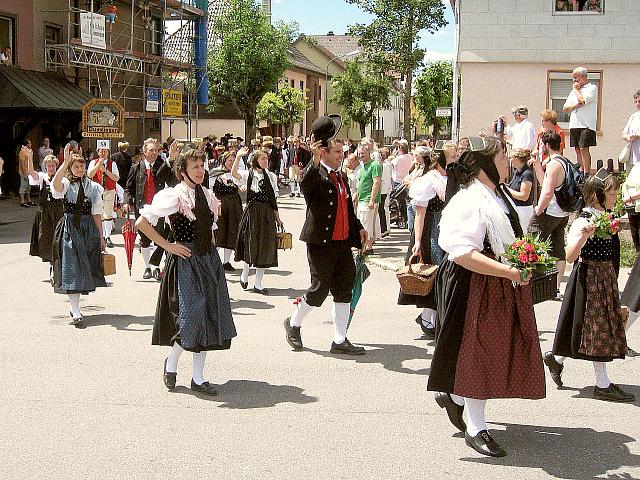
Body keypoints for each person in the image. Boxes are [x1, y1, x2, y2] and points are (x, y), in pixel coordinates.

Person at [428, 136, 545, 458]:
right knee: (478, 354)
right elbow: (462, 253)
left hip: (493, 285)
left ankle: (456, 397)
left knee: (487, 352)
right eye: (503, 157)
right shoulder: (469, 201)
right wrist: (509, 273)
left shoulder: (497, 195)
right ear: (484, 165)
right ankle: (475, 427)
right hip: (473, 286)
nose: (508, 162)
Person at [136, 148, 236, 396]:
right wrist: (168, 246)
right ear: (183, 172)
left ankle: (198, 378)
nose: (201, 171)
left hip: (207, 261)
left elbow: (209, 229)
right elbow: (142, 223)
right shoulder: (174, 196)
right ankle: (171, 362)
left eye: (202, 166)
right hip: (185, 263)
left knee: (208, 317)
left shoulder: (208, 195)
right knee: (191, 319)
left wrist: (211, 255)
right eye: (195, 167)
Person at [544, 170, 634, 402]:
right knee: (595, 329)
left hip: (603, 275)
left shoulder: (607, 216)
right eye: (611, 192)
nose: (615, 196)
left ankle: (556, 358)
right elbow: (570, 256)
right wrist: (584, 236)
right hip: (589, 276)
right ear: (598, 194)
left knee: (589, 329)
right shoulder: (584, 219)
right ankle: (602, 384)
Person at [284, 119, 368, 355]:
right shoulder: (316, 174)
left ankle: (339, 340)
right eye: (338, 152)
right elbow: (305, 185)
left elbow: (347, 210)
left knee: (344, 289)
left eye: (342, 151)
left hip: (342, 243)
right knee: (319, 289)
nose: (342, 155)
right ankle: (293, 324)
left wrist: (359, 228)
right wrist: (313, 158)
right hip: (321, 243)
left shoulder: (340, 177)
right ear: (324, 153)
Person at [398, 145, 455, 339]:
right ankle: (429, 318)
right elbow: (420, 214)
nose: (454, 160)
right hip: (432, 229)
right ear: (440, 160)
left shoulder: (448, 178)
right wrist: (418, 241)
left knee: (442, 272)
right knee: (434, 272)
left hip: (445, 226)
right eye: (451, 157)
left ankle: (430, 317)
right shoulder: (429, 180)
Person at [50, 145, 107, 325]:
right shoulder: (66, 185)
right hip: (70, 229)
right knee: (72, 267)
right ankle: (75, 310)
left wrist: (101, 236)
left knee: (85, 268)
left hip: (87, 229)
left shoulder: (94, 187)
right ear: (70, 168)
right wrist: (64, 163)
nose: (80, 169)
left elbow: (97, 214)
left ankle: (75, 307)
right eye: (76, 166)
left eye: (82, 166)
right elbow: (55, 185)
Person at [231, 146, 283, 294]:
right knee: (251, 245)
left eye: (267, 158)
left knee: (265, 248)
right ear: (255, 160)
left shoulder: (271, 176)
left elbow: (273, 199)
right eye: (263, 158)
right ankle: (245, 273)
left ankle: (258, 284)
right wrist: (238, 156)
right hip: (253, 213)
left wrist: (278, 218)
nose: (266, 161)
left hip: (266, 214)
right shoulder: (248, 174)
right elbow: (234, 173)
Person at [123, 138, 174, 280]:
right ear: (144, 152)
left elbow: (170, 182)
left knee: (159, 238)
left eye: (156, 150)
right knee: (144, 239)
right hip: (142, 208)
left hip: (158, 209)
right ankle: (148, 267)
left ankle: (157, 267)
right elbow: (128, 187)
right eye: (151, 150)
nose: (154, 153)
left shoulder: (162, 165)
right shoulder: (136, 167)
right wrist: (126, 201)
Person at [529, 130, 569, 299]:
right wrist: (537, 163)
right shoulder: (564, 162)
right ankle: (556, 288)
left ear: (546, 145)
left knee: (531, 243)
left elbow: (547, 192)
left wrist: (538, 210)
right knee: (558, 250)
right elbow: (544, 182)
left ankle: (532, 285)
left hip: (549, 211)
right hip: (563, 214)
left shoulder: (553, 165)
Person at [27, 154, 64, 266]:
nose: (51, 168)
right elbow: (31, 172)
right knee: (44, 236)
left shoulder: (61, 179)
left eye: (53, 166)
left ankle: (58, 259)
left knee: (58, 236)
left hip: (57, 210)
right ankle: (50, 260)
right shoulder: (42, 177)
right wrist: (29, 156)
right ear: (45, 167)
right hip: (44, 211)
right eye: (49, 166)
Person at [210, 150, 244, 271]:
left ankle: (226, 262)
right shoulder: (215, 173)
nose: (232, 163)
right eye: (230, 160)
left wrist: (242, 186)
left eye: (234, 161)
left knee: (232, 232)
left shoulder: (235, 174)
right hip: (220, 205)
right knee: (219, 233)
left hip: (234, 206)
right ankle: (213, 261)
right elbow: (209, 190)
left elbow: (240, 183)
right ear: (224, 160)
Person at [563, 67, 598, 175]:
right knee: (577, 149)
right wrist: (576, 105)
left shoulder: (592, 88)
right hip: (575, 124)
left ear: (583, 76)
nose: (574, 81)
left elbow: (582, 100)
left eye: (576, 78)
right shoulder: (573, 91)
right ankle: (580, 172)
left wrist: (576, 90)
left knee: (584, 148)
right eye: (573, 78)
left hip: (586, 124)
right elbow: (565, 108)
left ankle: (587, 173)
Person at [87, 145, 119, 248]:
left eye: (105, 151)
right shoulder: (93, 162)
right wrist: (98, 166)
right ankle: (98, 236)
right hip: (97, 191)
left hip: (109, 190)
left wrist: (105, 171)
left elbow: (116, 178)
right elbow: (89, 175)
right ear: (98, 152)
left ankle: (107, 236)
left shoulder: (112, 163)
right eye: (101, 151)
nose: (103, 153)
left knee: (108, 214)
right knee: (97, 213)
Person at [356, 138, 382, 254]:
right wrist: (356, 195)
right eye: (359, 153)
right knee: (363, 222)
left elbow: (376, 182)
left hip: (368, 199)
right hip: (362, 198)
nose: (360, 155)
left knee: (366, 224)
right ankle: (365, 246)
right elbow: (361, 182)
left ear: (369, 153)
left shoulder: (374, 165)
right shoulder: (362, 166)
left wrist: (371, 200)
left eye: (363, 153)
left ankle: (367, 248)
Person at [506, 148, 535, 233]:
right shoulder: (516, 172)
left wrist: (506, 190)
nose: (509, 159)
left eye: (510, 157)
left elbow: (524, 196)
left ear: (516, 159)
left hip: (524, 211)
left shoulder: (526, 174)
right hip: (516, 209)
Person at [403, 146, 430, 233]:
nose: (414, 157)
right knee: (411, 227)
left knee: (417, 227)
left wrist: (412, 183)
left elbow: (420, 185)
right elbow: (405, 179)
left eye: (416, 155)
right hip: (410, 200)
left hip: (418, 201)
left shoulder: (426, 169)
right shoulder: (415, 168)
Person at [390, 140, 412, 225]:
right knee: (406, 200)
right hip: (406, 180)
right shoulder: (410, 157)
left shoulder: (398, 159)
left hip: (398, 181)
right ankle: (405, 217)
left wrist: (395, 154)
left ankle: (403, 218)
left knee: (400, 201)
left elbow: (392, 162)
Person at [622, 90, 640, 172]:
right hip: (632, 157)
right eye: (635, 102)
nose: (637, 104)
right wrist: (628, 137)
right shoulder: (633, 116)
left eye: (639, 101)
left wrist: (637, 136)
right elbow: (624, 134)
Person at [378, 147, 392, 237]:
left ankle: (383, 229)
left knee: (381, 210)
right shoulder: (387, 164)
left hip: (382, 190)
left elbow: (381, 178)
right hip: (385, 189)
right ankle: (384, 228)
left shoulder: (384, 166)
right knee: (383, 209)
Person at [19, 139, 34, 207]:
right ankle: (22, 201)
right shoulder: (22, 152)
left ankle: (29, 200)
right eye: (30, 143)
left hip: (29, 172)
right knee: (23, 186)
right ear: (27, 144)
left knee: (28, 187)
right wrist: (25, 174)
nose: (31, 144)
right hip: (24, 172)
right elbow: (22, 164)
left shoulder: (30, 151)